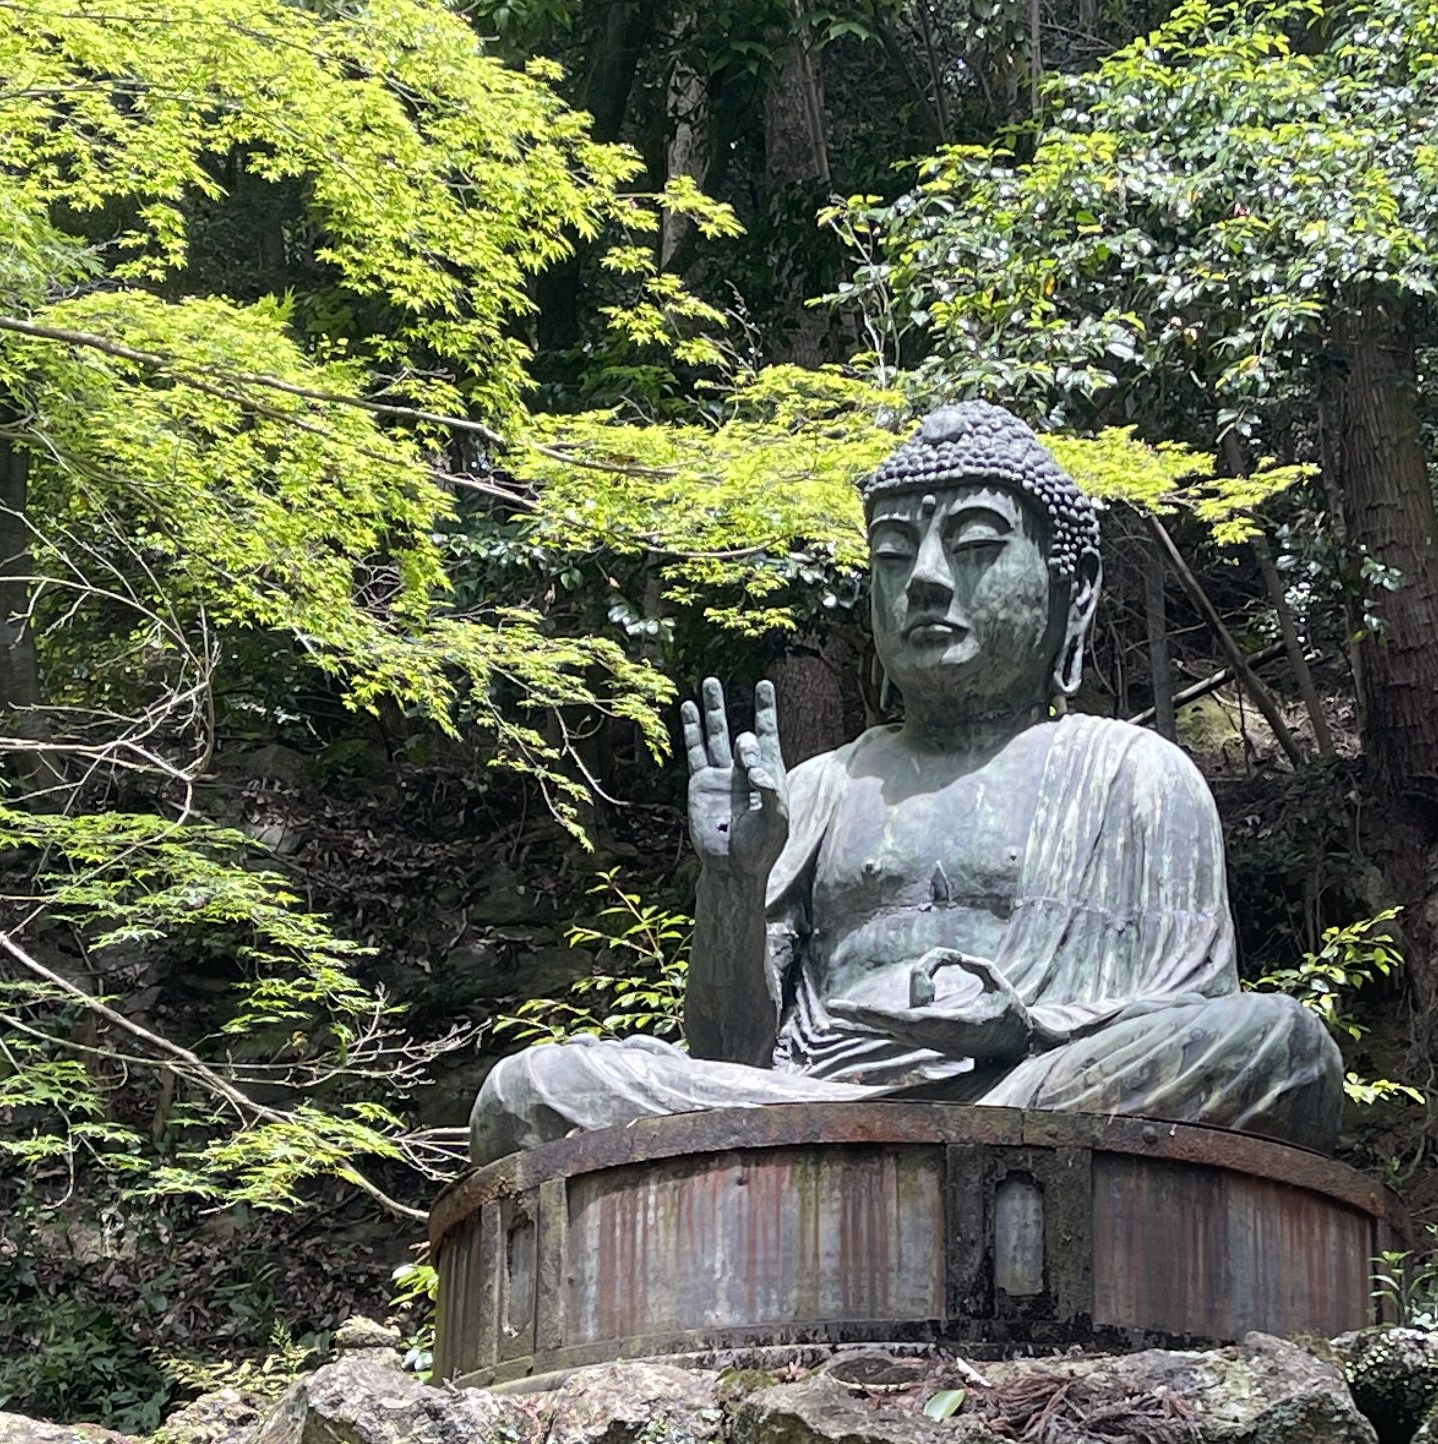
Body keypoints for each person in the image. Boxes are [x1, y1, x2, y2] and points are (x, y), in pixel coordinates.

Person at [469, 403, 1345, 1163]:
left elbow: (1191, 1002)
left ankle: (922, 1145)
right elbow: (729, 1048)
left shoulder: (1135, 773)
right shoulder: (820, 786)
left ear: (1069, 594)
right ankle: (875, 1151)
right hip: (813, 1105)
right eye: (894, 554)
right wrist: (731, 886)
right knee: (530, 1088)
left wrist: (1025, 1026)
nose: (925, 578)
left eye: (973, 546)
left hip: (1036, 1090)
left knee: (1282, 1043)